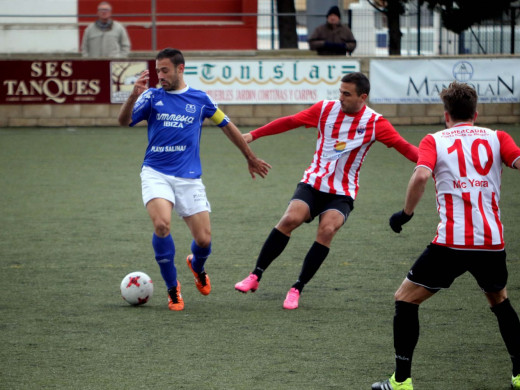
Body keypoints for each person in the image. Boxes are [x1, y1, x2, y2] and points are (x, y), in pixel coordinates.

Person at [372, 82, 520, 390]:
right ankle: (519, 373)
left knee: (405, 299)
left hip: (451, 243)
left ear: (446, 115)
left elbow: (421, 174)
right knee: (499, 301)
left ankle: (401, 381)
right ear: (475, 114)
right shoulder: (498, 137)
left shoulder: (435, 140)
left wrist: (405, 214)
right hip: (491, 241)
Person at [234, 72, 418, 310]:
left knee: (327, 229)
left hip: (342, 192)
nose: (340, 97)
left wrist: (433, 162)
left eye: (346, 94)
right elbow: (291, 121)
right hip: (313, 183)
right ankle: (255, 276)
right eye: (340, 92)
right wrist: (253, 134)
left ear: (363, 97)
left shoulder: (375, 123)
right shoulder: (324, 110)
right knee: (290, 218)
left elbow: (405, 148)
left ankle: (297, 288)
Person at [118, 48, 271, 311]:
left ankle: (196, 265)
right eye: (158, 71)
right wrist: (133, 97)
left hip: (189, 178)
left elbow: (228, 127)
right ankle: (172, 288)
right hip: (156, 173)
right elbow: (123, 121)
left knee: (203, 241)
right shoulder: (152, 97)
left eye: (165, 70)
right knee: (162, 226)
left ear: (180, 69)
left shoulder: (200, 99)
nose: (160, 75)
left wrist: (250, 156)